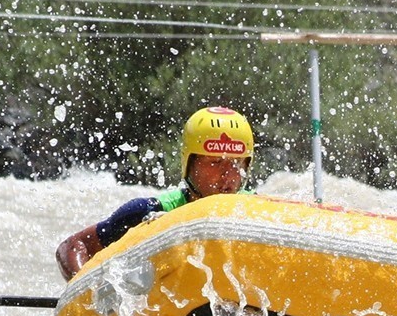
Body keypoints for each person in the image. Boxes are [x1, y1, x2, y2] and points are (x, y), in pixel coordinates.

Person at [56, 106, 254, 279]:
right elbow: (74, 245)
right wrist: (84, 289)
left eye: (237, 164)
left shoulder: (259, 212)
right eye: (215, 162)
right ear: (190, 164)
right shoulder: (149, 212)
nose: (228, 175)